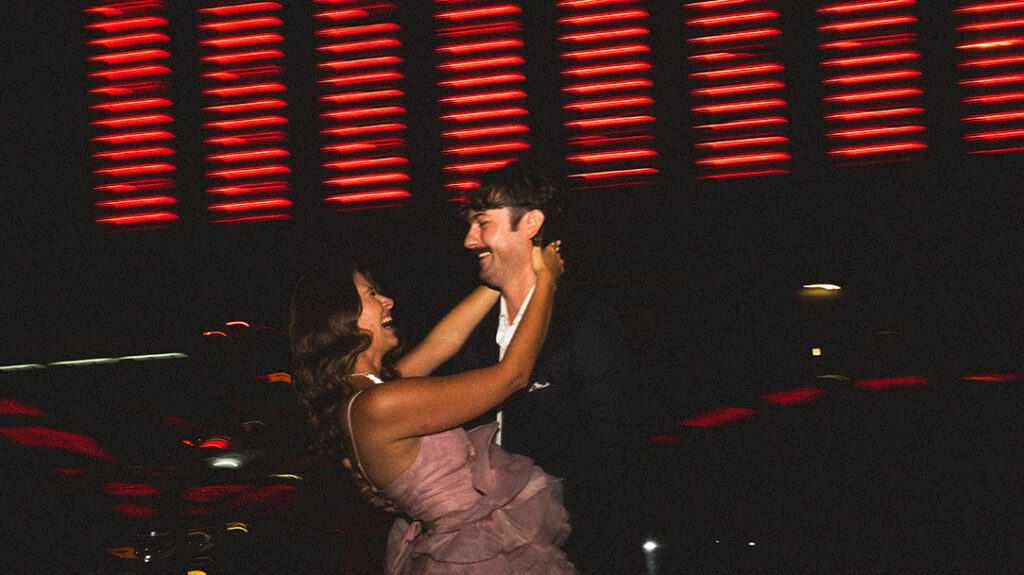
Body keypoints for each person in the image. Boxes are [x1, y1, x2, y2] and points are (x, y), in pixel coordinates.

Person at [289, 244, 575, 574]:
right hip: (471, 557)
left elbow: (444, 341)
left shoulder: (375, 390)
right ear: (343, 318)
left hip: (473, 540)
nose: (388, 301)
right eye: (372, 295)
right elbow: (512, 377)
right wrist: (547, 281)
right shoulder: (378, 405)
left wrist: (502, 271)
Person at [448, 165, 645, 574]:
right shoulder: (470, 333)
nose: (470, 240)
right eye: (469, 226)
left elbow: (615, 457)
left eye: (482, 223)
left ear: (531, 223)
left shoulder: (584, 322)